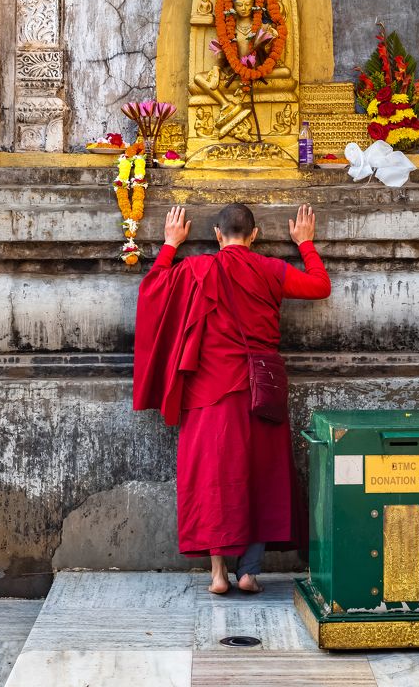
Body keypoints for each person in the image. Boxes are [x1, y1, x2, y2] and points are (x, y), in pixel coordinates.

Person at [133, 202, 331, 594]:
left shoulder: (196, 268)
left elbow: (153, 289)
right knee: (262, 475)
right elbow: (319, 286)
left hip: (208, 389)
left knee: (214, 477)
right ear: (254, 236)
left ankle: (218, 573)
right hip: (262, 389)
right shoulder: (271, 269)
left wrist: (171, 244)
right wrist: (305, 243)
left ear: (217, 236)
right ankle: (249, 573)